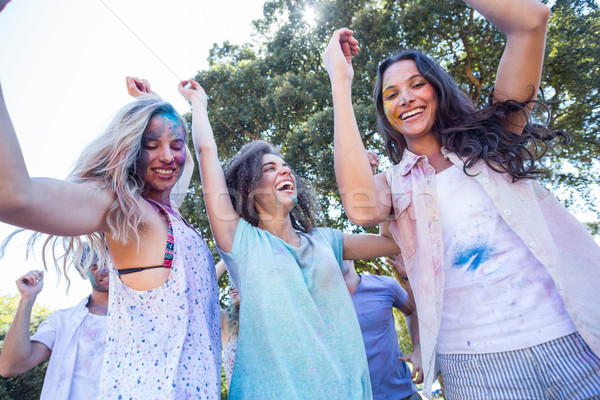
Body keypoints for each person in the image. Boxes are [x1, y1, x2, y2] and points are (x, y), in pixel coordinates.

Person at [322, 0, 600, 398]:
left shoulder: (495, 138)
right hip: (476, 369)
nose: (406, 99)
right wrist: (339, 80)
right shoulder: (394, 185)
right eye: (391, 94)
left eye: (417, 84)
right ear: (385, 112)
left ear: (438, 88)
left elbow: (531, 22)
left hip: (572, 341)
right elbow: (360, 208)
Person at [0, 61, 221, 397]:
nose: (168, 156)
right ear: (130, 149)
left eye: (175, 145)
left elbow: (192, 155)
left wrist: (180, 104)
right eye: (150, 145)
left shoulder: (171, 214)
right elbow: (15, 196)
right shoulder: (121, 208)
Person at [178, 78, 401, 399]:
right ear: (247, 185)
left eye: (286, 167)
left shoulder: (325, 241)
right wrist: (198, 104)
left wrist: (373, 185)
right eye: (271, 168)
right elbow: (206, 152)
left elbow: (392, 242)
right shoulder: (241, 242)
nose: (285, 172)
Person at [0, 245, 109, 400]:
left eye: (108, 263)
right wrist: (27, 299)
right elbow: (10, 366)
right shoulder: (62, 321)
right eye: (93, 267)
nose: (103, 270)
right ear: (82, 273)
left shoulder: (147, 316)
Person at [343, 259, 422, 400]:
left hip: (404, 394)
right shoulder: (316, 299)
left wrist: (417, 348)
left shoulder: (386, 285)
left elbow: (412, 311)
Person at [215, 259, 240, 390]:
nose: (230, 287)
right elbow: (200, 290)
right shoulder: (226, 322)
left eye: (235, 279)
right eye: (229, 281)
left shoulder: (266, 320)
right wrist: (227, 259)